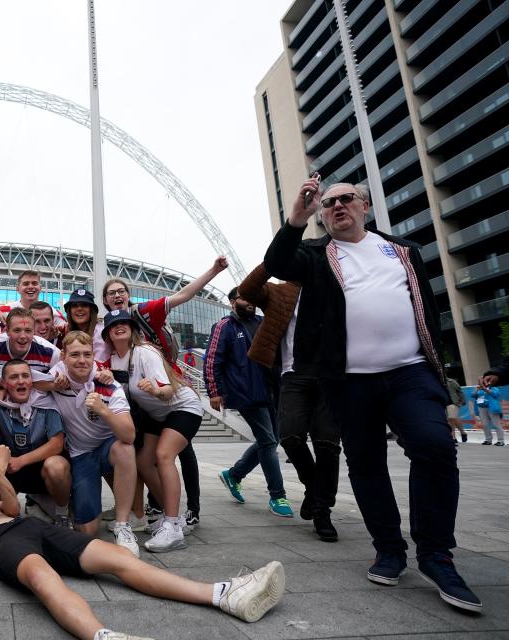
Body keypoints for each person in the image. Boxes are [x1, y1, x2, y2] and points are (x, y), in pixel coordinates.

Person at [263, 177, 481, 612]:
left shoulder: (402, 250)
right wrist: (296, 220)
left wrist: (444, 378)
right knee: (365, 463)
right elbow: (277, 263)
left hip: (410, 371)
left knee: (434, 448)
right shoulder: (315, 254)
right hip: (348, 381)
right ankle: (388, 547)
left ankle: (437, 554)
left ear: (364, 206)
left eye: (346, 199)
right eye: (329, 203)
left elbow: (429, 312)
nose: (338, 206)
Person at [0, 455, 286, 640]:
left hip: (31, 526)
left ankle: (223, 594)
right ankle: (102, 636)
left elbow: (10, 507)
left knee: (118, 557)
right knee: (44, 580)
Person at [238, 263, 341, 542]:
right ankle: (314, 488)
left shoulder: (333, 289)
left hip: (329, 375)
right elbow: (246, 290)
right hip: (293, 374)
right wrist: (275, 260)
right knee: (290, 436)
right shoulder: (281, 292)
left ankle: (322, 510)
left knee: (328, 444)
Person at [102, 309, 204, 553]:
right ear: (107, 334)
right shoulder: (114, 360)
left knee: (164, 456)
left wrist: (155, 391)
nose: (120, 326)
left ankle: (171, 527)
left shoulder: (145, 352)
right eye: (113, 324)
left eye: (124, 322)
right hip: (156, 416)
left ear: (133, 328)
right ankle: (174, 517)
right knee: (143, 462)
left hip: (181, 407)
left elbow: (168, 391)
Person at [48, 331, 140, 556]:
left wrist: (104, 411)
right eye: (75, 355)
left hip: (108, 450)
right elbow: (29, 381)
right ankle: (74, 505)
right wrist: (51, 384)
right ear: (63, 357)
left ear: (93, 356)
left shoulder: (109, 385)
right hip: (81, 456)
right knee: (87, 532)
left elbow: (129, 435)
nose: (82, 360)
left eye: (87, 354)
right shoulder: (56, 381)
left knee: (125, 448)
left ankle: (123, 525)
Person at [0, 358, 72, 526]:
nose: (21, 381)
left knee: (57, 466)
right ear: (4, 383)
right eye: (14, 377)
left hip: (40, 470)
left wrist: (20, 461)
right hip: (11, 470)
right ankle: (5, 510)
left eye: (25, 376)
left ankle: (62, 513)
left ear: (32, 381)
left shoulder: (45, 402)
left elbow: (57, 444)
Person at [206, 287, 292, 518]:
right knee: (267, 441)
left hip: (271, 390)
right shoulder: (225, 326)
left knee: (272, 441)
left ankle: (234, 475)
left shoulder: (263, 322)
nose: (250, 301)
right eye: (244, 297)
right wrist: (214, 391)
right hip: (245, 392)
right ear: (233, 301)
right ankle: (278, 495)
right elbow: (213, 359)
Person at [102, 255, 228, 368]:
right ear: (105, 300)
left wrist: (214, 270)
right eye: (112, 293)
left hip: (164, 375)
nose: (117, 295)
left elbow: (182, 296)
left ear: (128, 295)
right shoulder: (104, 326)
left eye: (121, 291)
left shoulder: (144, 311)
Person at [0, 306, 60, 372]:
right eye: (17, 330)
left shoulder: (50, 352)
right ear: (7, 331)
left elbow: (66, 374)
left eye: (28, 331)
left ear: (33, 332)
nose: (23, 336)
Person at [0, 269, 66, 329]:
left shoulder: (53, 313)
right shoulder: (5, 311)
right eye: (26, 284)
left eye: (34, 283)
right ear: (18, 289)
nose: (30, 286)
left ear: (40, 288)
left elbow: (65, 329)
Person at [62, 289, 109, 361]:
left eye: (84, 305)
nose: (79, 309)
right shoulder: (67, 331)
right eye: (74, 305)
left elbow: (98, 364)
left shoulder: (101, 332)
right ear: (70, 311)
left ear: (91, 310)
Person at [444, 377, 468, 444]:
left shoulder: (451, 381)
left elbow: (459, 390)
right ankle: (463, 432)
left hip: (453, 402)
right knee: (454, 419)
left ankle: (453, 438)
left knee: (451, 419)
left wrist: (463, 400)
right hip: (442, 403)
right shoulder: (434, 381)